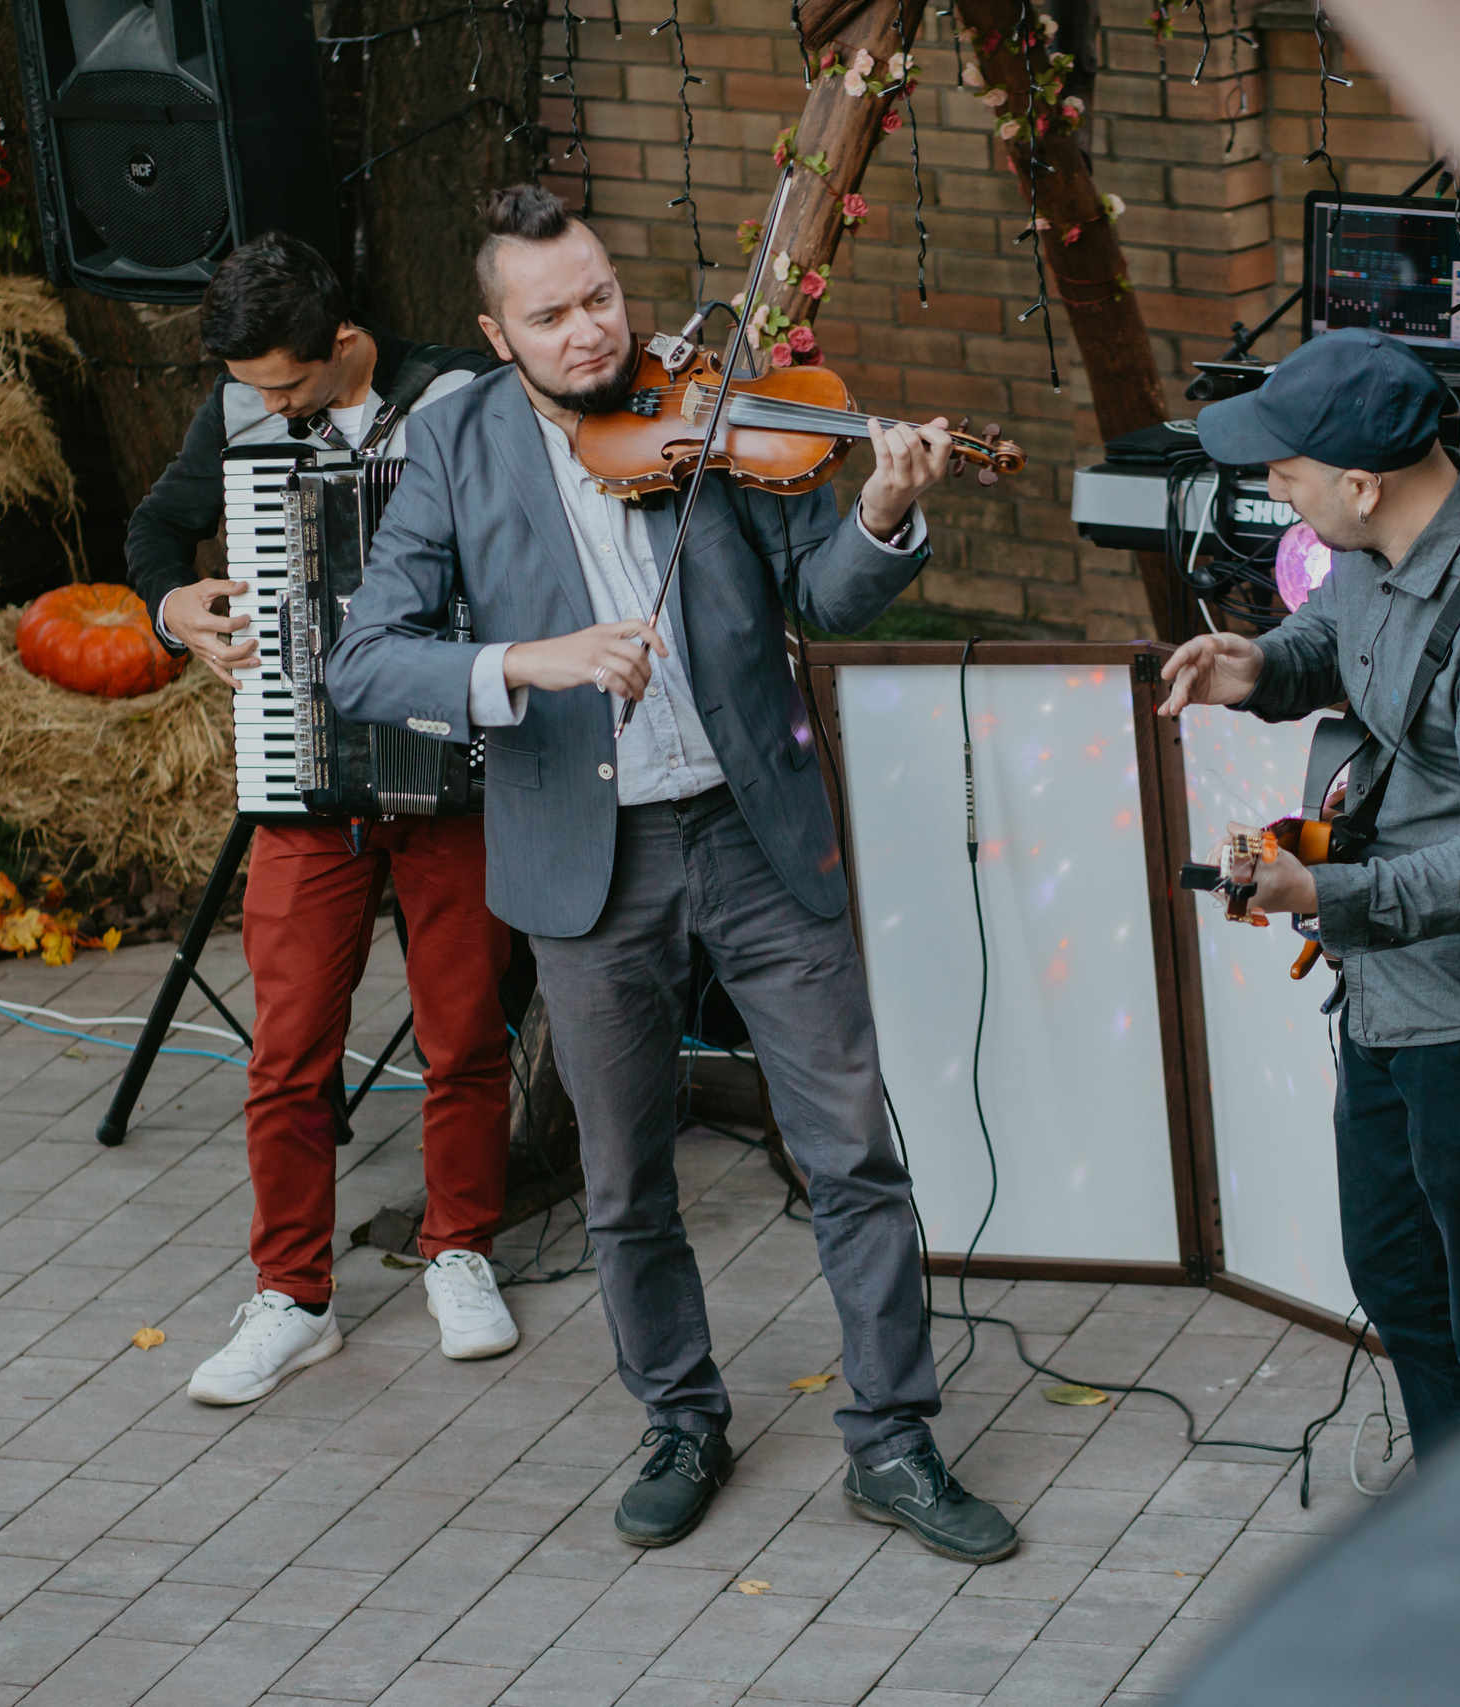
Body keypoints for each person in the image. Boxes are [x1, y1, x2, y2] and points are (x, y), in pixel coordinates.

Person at [325, 185, 1018, 1564]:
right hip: (592, 864)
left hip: (754, 834)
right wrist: (529, 662)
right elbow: (364, 657)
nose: (591, 333)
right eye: (552, 314)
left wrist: (880, 505)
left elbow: (817, 595)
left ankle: (891, 1435)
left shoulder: (714, 406)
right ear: (491, 330)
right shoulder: (454, 444)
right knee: (626, 1176)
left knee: (852, 1152)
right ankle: (682, 1416)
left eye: (600, 296)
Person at [1156, 328, 1460, 1456]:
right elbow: (1341, 637)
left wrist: (1320, 893)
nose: (1271, 487)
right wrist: (1259, 666)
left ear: (1360, 482)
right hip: (1394, 992)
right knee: (1400, 1275)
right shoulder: (1371, 551)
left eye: (1287, 470)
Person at [124, 232, 524, 1403]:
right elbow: (157, 531)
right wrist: (172, 609)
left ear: (344, 342)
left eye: (289, 387)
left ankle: (461, 1252)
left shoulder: (464, 400)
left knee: (465, 1032)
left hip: (451, 767)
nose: (272, 410)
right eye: (254, 390)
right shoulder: (238, 407)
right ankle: (293, 1299)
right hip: (305, 773)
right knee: (287, 1050)